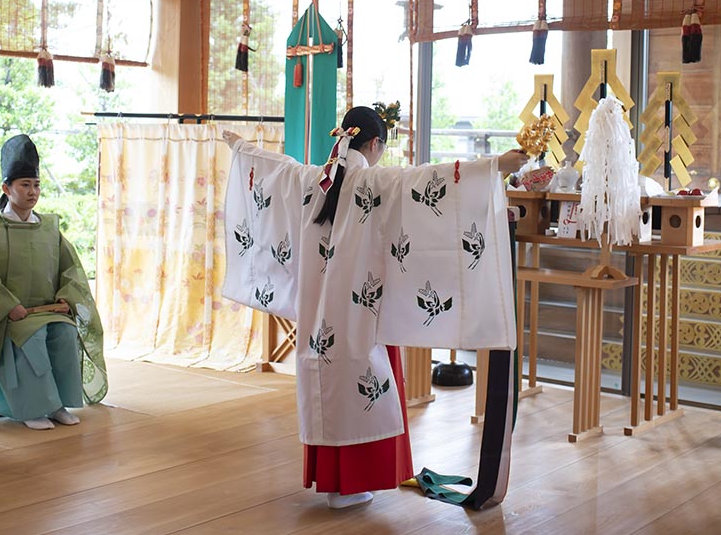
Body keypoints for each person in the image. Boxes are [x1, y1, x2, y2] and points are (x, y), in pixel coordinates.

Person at [222, 106, 527, 510]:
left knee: (329, 388)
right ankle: (351, 486)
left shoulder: (313, 180)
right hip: (362, 312)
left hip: (318, 317)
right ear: (375, 143)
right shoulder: (374, 181)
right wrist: (495, 166)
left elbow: (276, 168)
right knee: (364, 387)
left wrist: (241, 148)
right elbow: (428, 180)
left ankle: (335, 484)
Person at [0, 134, 107, 429]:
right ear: (6, 188)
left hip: (48, 311)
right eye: (25, 185)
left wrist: (66, 297)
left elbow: (70, 268)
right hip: (10, 316)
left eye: (36, 185)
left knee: (64, 332)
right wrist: (7, 305)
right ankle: (32, 409)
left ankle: (57, 404)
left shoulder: (50, 228)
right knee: (29, 338)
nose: (33, 192)